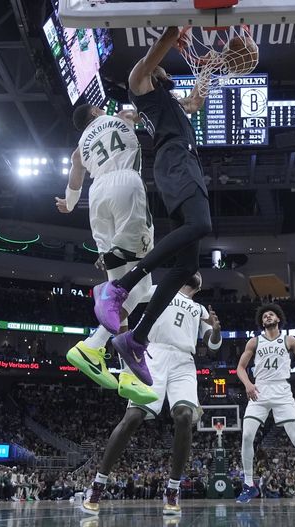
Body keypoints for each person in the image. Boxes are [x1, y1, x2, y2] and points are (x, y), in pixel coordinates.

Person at [94, 25, 212, 387]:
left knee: (186, 267)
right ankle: (121, 287)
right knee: (201, 225)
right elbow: (157, 50)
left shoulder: (167, 102)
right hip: (175, 162)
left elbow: (194, 103)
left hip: (181, 164)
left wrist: (207, 72)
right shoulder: (138, 83)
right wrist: (177, 28)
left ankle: (136, 338)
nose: (161, 68)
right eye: (157, 65)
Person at [81, 272, 221, 516]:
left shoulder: (201, 309)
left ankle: (173, 489)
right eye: (193, 270)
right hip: (152, 352)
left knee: (184, 416)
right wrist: (121, 332)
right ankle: (98, 484)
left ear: (201, 286)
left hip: (184, 361)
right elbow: (127, 301)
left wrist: (217, 332)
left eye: (199, 272)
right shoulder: (161, 288)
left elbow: (212, 346)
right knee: (133, 417)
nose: (196, 272)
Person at [58, 106, 157, 405]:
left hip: (97, 197)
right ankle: (92, 344)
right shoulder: (119, 116)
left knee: (118, 292)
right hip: (125, 184)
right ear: (95, 112)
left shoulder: (82, 144)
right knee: (139, 284)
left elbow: (76, 168)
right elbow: (142, 115)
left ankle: (128, 373)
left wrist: (71, 202)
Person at [235, 303, 295, 506]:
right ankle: (249, 485)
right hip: (259, 389)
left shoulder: (288, 340)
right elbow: (240, 368)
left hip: (281, 391)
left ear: (278, 319)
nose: (267, 317)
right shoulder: (254, 341)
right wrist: (248, 384)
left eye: (271, 314)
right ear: (261, 321)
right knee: (247, 435)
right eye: (264, 316)